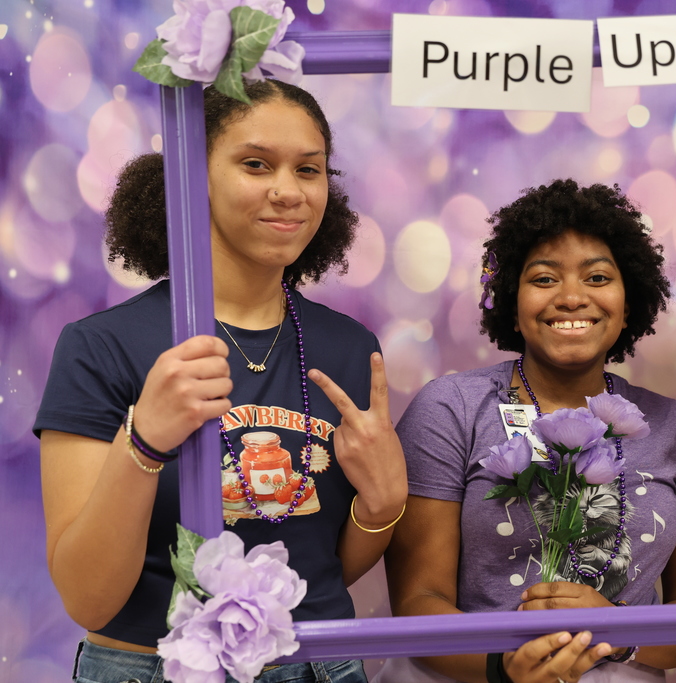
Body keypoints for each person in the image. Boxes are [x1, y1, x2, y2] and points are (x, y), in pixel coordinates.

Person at [34, 79, 407, 683]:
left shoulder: (350, 349)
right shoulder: (101, 347)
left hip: (317, 665)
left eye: (308, 170)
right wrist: (145, 442)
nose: (288, 191)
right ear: (190, 179)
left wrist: (384, 508)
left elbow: (322, 567)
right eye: (255, 164)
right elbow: (88, 599)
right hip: (149, 666)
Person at [378, 179, 676, 683]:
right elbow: (418, 601)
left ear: (628, 303)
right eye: (543, 279)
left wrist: (619, 630)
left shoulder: (675, 428)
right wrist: (506, 668)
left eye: (598, 277)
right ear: (512, 303)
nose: (570, 297)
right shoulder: (450, 409)